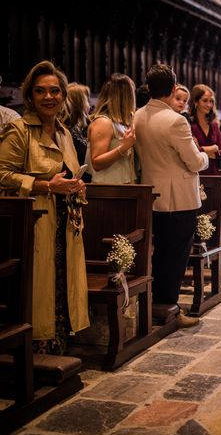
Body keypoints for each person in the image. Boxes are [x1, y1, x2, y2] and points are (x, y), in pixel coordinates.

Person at [0, 60, 89, 354]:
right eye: (40, 91)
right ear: (29, 96)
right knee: (41, 285)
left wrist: (76, 185)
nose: (48, 97)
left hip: (65, 223)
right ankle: (38, 348)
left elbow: (68, 172)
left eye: (54, 91)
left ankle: (60, 344)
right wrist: (46, 186)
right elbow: (2, 173)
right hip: (35, 223)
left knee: (61, 282)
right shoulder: (19, 130)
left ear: (63, 95)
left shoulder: (64, 132)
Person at [134, 63, 209, 328]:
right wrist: (204, 156)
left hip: (151, 196)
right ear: (173, 88)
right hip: (178, 199)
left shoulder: (138, 115)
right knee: (175, 256)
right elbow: (193, 162)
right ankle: (170, 310)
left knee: (159, 254)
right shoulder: (176, 121)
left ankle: (155, 305)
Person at [86, 73, 137, 184]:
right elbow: (96, 162)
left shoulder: (121, 122)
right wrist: (123, 147)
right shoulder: (103, 122)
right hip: (107, 190)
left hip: (122, 188)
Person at [189, 84, 221, 175]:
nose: (209, 105)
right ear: (196, 102)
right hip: (196, 174)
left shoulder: (214, 125)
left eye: (211, 101)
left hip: (214, 173)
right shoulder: (189, 125)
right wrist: (214, 148)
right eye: (205, 101)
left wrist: (203, 150)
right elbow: (192, 152)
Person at [61, 82, 92, 181]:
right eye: (87, 100)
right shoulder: (64, 129)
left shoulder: (81, 127)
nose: (89, 105)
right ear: (80, 103)